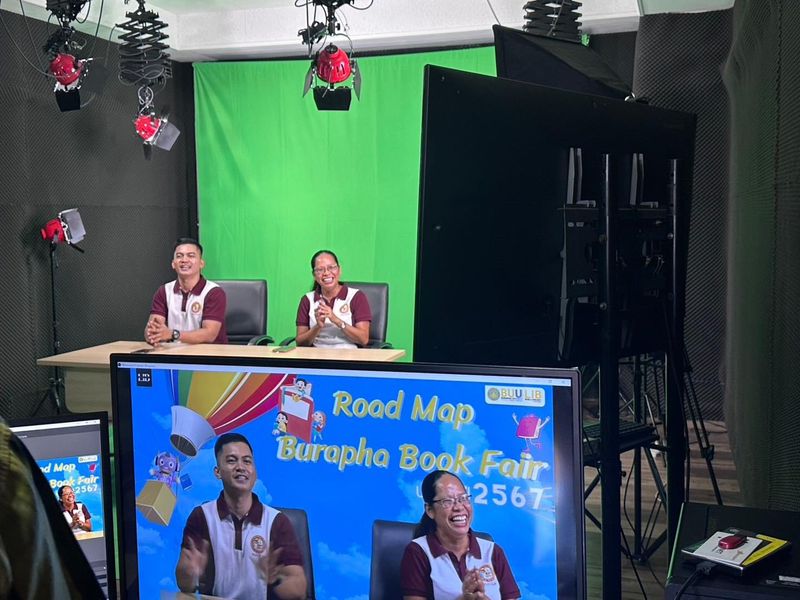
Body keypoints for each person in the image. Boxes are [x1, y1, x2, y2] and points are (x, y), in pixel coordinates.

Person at [175, 432, 306, 600]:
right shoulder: (201, 516)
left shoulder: (277, 521)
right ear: (217, 472)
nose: (240, 467)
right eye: (231, 460)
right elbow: (184, 585)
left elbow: (298, 589)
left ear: (254, 472)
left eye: (247, 461)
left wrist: (276, 581)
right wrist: (190, 573)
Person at [0, 421, 105, 599]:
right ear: (61, 498)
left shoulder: (81, 506)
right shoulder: (6, 456)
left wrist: (80, 524)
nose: (71, 496)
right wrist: (73, 525)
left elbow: (90, 528)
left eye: (72, 493)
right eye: (67, 494)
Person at [401, 470, 520, 600]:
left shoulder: (493, 551)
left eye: (463, 498)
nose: (459, 507)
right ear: (430, 510)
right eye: (447, 501)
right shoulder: (418, 552)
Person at [145, 237, 228, 345]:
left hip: (209, 353)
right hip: (174, 352)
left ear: (201, 263)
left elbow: (209, 334)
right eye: (179, 256)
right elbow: (153, 327)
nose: (184, 260)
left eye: (191, 256)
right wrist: (153, 334)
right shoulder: (164, 291)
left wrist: (173, 334)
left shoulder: (214, 292)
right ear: (173, 264)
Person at [295, 249, 371, 348]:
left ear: (339, 270)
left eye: (331, 267)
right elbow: (300, 343)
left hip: (348, 353)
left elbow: (363, 339)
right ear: (314, 275)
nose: (326, 273)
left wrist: (336, 320)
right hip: (316, 354)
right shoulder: (307, 300)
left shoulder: (356, 296)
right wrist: (318, 326)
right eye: (320, 270)